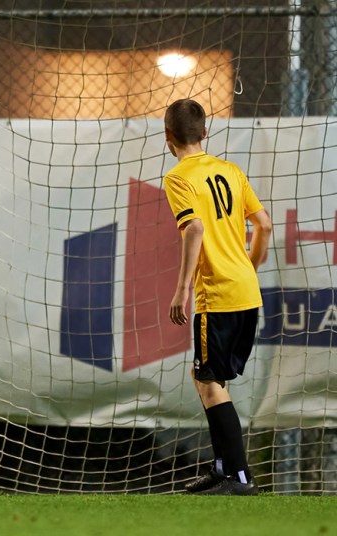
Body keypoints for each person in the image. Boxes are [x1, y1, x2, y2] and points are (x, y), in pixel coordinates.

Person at [163, 98, 272, 495]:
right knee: (208, 377)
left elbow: (194, 228)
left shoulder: (178, 177)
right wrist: (249, 266)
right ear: (205, 132)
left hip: (218, 294)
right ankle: (223, 467)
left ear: (168, 137)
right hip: (246, 290)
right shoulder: (230, 170)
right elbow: (264, 225)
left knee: (208, 380)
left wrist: (182, 288)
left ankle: (240, 477)